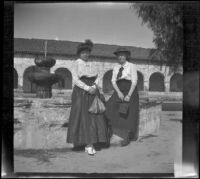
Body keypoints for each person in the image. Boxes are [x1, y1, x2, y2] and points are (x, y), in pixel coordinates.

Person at [66, 40, 110, 155]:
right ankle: (87, 144)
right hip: (81, 92)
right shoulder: (76, 63)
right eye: (83, 52)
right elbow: (75, 79)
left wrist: (94, 86)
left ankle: (91, 143)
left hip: (93, 91)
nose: (86, 54)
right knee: (83, 117)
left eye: (87, 52)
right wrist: (87, 88)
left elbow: (98, 76)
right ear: (79, 53)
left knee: (94, 117)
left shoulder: (92, 64)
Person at [105, 47, 139, 147]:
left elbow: (134, 81)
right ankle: (109, 133)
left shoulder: (132, 66)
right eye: (118, 55)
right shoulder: (115, 67)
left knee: (128, 112)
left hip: (130, 90)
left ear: (126, 56)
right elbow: (113, 81)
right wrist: (119, 92)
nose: (120, 57)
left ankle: (127, 137)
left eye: (122, 55)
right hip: (119, 89)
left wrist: (128, 95)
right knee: (109, 107)